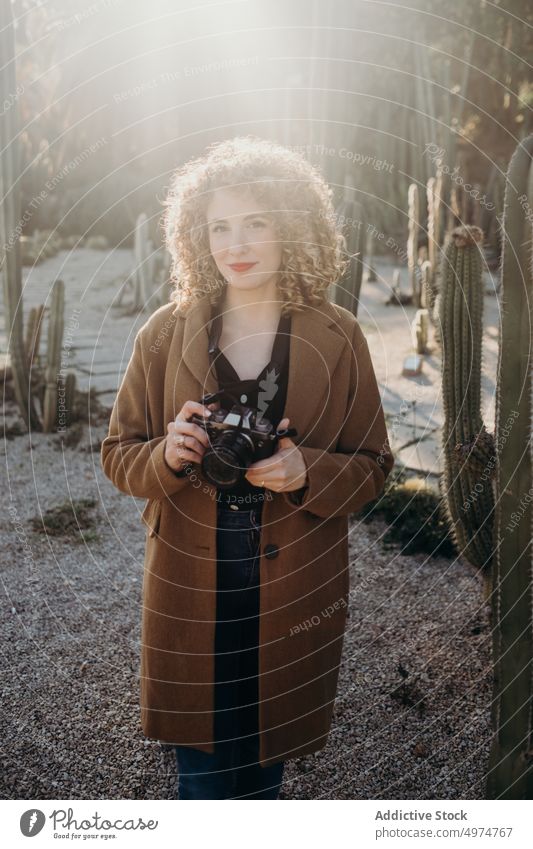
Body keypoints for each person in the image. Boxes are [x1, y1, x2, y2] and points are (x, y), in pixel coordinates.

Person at [101, 135, 394, 800]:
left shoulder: (337, 333)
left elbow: (374, 465)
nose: (236, 243)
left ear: (291, 228)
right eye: (219, 227)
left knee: (264, 768)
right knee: (201, 771)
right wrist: (166, 454)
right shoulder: (162, 331)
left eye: (256, 222)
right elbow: (118, 455)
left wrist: (305, 469)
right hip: (189, 581)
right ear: (195, 237)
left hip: (294, 587)